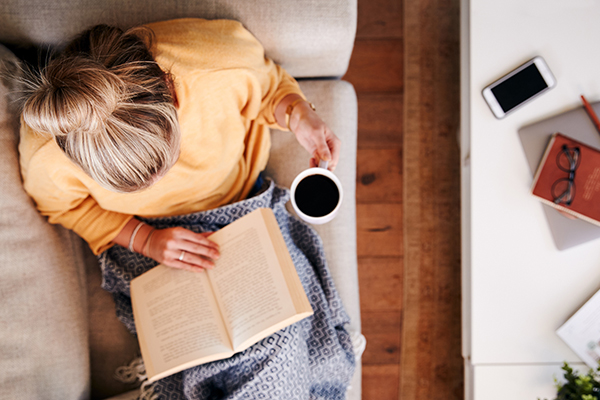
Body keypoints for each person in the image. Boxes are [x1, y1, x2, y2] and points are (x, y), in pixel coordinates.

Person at [18, 19, 341, 268]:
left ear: (168, 87)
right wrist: (146, 240)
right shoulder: (46, 150)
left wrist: (297, 114)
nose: (163, 181)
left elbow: (269, 89)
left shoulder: (219, 63)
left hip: (241, 201)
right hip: (146, 234)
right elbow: (63, 207)